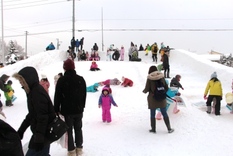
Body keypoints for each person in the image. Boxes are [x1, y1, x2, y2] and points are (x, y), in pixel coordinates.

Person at [12, 66, 56, 156]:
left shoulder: (37, 93)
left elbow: (43, 117)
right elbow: (32, 114)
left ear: (27, 80)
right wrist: (21, 130)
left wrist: (39, 138)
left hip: (43, 134)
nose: (20, 83)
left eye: (21, 80)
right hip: (42, 133)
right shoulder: (32, 92)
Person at [54, 58, 87, 156]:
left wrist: (56, 109)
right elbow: (84, 95)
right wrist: (82, 106)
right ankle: (79, 148)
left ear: (64, 68)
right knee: (78, 128)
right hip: (78, 110)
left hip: (67, 111)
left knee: (68, 130)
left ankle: (71, 150)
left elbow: (57, 96)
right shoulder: (80, 79)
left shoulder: (62, 80)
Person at [142, 65, 174, 133]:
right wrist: (162, 92)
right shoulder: (161, 77)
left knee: (152, 114)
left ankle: (153, 129)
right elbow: (166, 87)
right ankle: (169, 128)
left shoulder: (149, 78)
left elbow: (147, 89)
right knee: (164, 113)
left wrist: (144, 91)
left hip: (153, 99)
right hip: (162, 98)